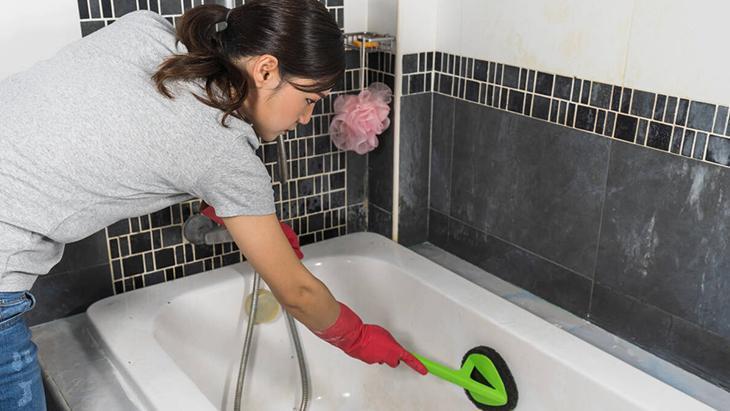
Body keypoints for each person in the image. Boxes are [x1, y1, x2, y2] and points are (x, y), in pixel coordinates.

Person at [0, 1, 426, 409]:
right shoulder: (224, 154)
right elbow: (298, 294)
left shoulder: (146, 29)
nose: (305, 119)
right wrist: (357, 338)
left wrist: (241, 215)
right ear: (265, 69)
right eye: (310, 99)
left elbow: (128, 131)